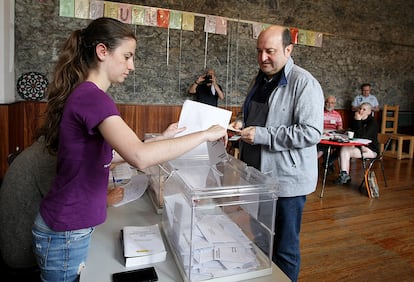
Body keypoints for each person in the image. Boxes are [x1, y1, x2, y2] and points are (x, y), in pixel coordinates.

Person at [31, 17, 226, 282]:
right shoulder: (92, 97)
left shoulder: (86, 95)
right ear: (102, 51)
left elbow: (109, 156)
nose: (132, 66)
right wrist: (206, 134)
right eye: (127, 56)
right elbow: (139, 157)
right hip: (66, 230)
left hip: (66, 226)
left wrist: (160, 139)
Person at [230, 25, 324, 281]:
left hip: (286, 183)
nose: (262, 58)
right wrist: (240, 122)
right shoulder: (259, 79)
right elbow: (251, 114)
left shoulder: (304, 83)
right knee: (260, 238)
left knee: (284, 249)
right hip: (256, 177)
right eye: (259, 51)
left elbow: (311, 132)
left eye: (269, 51)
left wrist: (261, 135)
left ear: (288, 49)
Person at [0, 137, 124, 281]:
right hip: (24, 257)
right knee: (100, 259)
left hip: (26, 243)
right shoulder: (48, 159)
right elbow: (71, 207)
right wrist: (107, 200)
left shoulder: (44, 149)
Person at [336, 102, 379, 184]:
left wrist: (358, 121)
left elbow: (362, 137)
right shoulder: (356, 119)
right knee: (344, 149)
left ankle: (344, 175)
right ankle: (344, 175)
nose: (361, 111)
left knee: (344, 151)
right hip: (359, 147)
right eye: (360, 108)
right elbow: (352, 133)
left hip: (370, 150)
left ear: (369, 112)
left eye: (364, 109)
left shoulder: (373, 123)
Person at [317, 95, 344, 172]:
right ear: (325, 103)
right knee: (325, 146)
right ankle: (328, 165)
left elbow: (340, 128)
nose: (329, 104)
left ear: (334, 104)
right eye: (328, 102)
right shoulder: (319, 113)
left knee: (342, 148)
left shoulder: (337, 115)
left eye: (332, 103)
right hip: (321, 137)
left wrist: (341, 131)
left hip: (333, 137)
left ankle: (328, 163)